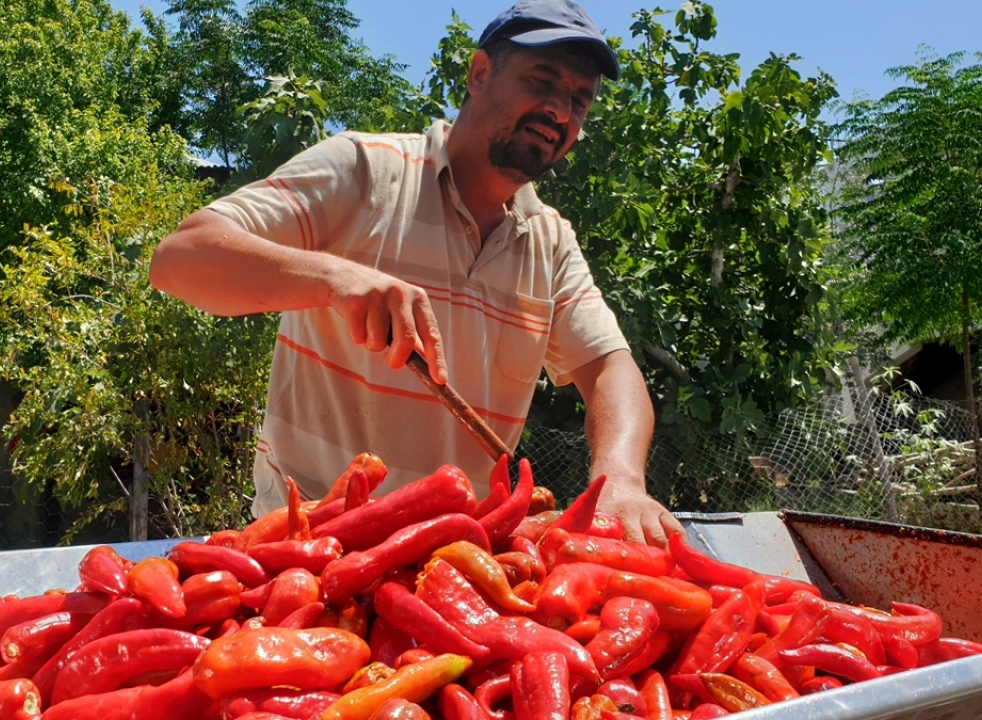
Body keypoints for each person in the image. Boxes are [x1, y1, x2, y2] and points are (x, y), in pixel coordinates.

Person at [150, 0, 683, 547]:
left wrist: (619, 478)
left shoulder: (549, 242)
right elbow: (180, 259)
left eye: (580, 100)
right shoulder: (363, 170)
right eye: (541, 80)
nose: (560, 111)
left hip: (456, 566)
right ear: (479, 74)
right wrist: (335, 280)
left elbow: (610, 368)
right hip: (310, 555)